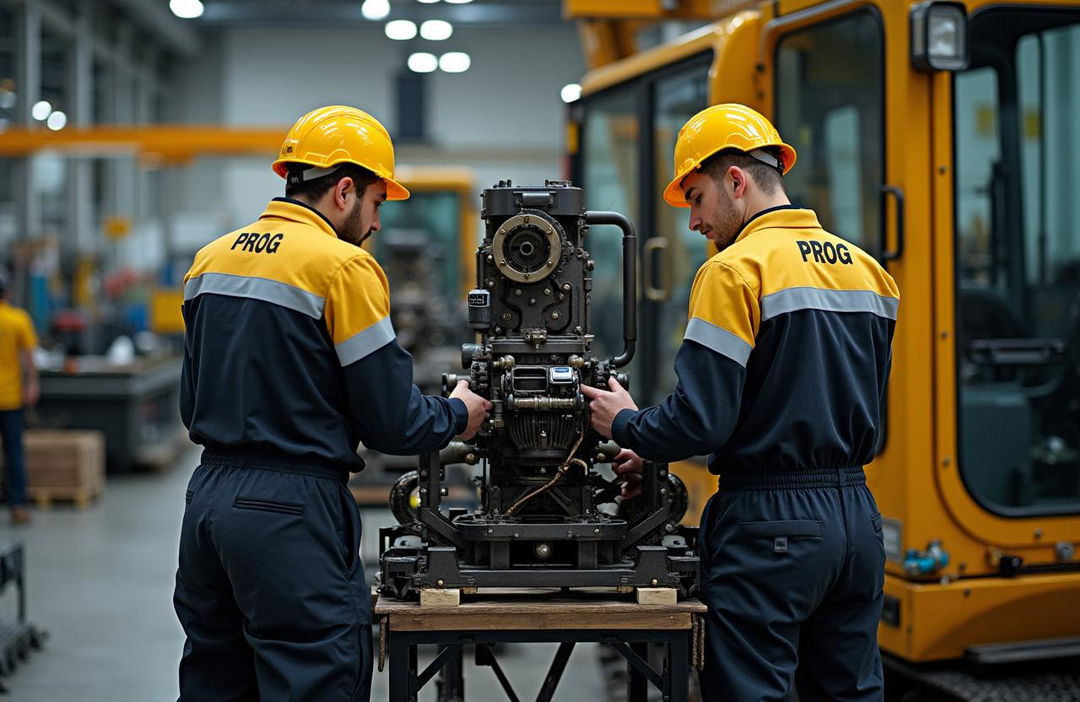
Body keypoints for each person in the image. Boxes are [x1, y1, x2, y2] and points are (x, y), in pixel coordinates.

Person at [581, 103, 899, 701]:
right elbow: (814, 394)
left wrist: (626, 423)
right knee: (851, 691)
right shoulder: (869, 272)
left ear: (736, 181)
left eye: (697, 198)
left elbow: (705, 419)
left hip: (770, 526)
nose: (694, 222)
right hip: (857, 518)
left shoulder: (733, 271)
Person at [174, 105, 491, 701]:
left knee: (216, 679)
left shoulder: (209, 262)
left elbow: (192, 398)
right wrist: (458, 413)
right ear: (344, 190)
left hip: (207, 502)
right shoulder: (343, 267)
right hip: (291, 510)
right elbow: (393, 422)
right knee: (313, 677)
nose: (375, 224)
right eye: (376, 203)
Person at [0, 273, 38, 526]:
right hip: (10, 397)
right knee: (13, 452)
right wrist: (33, 384)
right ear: (8, 293)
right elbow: (29, 358)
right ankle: (17, 506)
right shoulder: (18, 319)